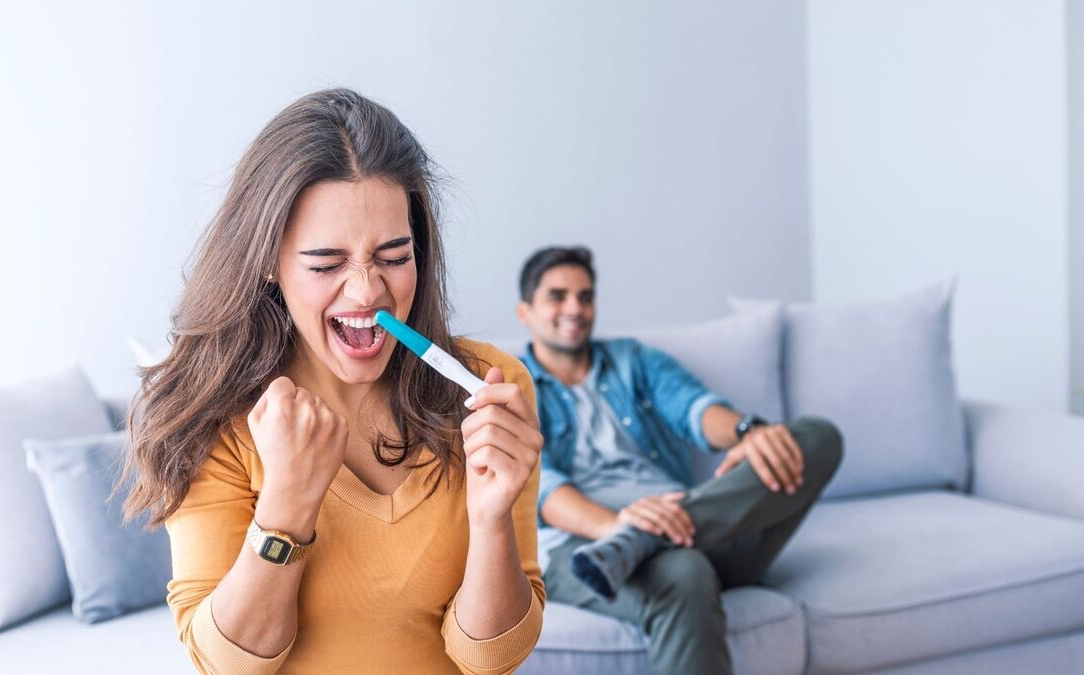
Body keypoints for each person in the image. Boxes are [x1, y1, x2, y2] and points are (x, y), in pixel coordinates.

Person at [119, 89, 545, 674]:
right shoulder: (214, 414)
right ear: (268, 260)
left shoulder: (488, 389)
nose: (368, 291)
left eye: (394, 256)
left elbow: (489, 658)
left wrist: (491, 519)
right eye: (326, 264)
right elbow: (227, 666)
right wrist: (286, 506)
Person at [515, 246, 843, 675]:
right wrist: (614, 526)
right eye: (558, 296)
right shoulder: (512, 383)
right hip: (588, 550)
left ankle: (644, 539)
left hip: (694, 525)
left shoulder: (634, 360)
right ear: (526, 311)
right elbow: (541, 487)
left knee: (817, 437)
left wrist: (749, 432)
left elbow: (695, 409)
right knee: (684, 573)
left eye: (585, 296)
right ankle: (635, 540)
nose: (575, 308)